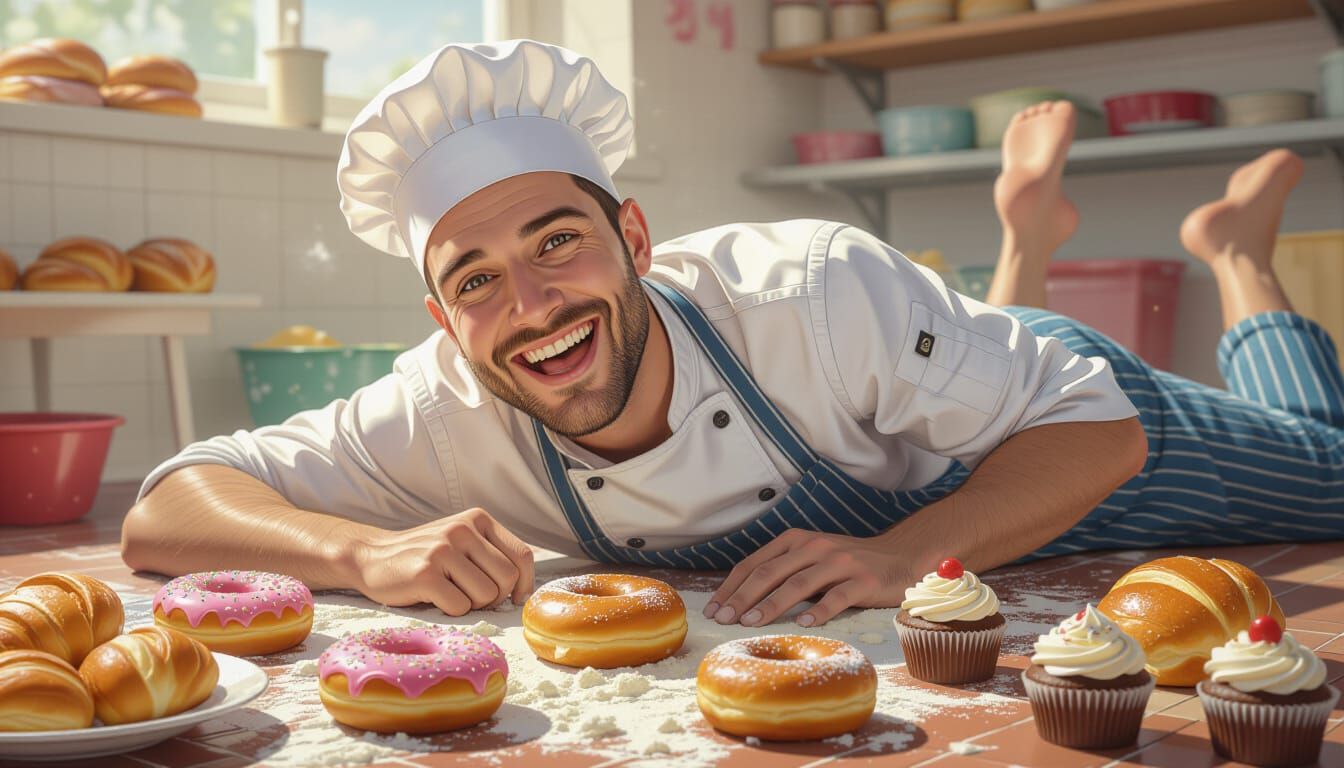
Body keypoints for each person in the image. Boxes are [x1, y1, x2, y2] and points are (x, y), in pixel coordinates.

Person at [122, 40, 1342, 631]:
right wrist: (360, 555)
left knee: (1332, 467)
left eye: (559, 243)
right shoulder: (440, 409)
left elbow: (1092, 429)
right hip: (939, 383)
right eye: (479, 280)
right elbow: (169, 505)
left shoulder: (803, 287)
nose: (533, 307)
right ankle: (1103, 241)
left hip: (1060, 430)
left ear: (636, 237)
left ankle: (1236, 255)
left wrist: (909, 555)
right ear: (440, 319)